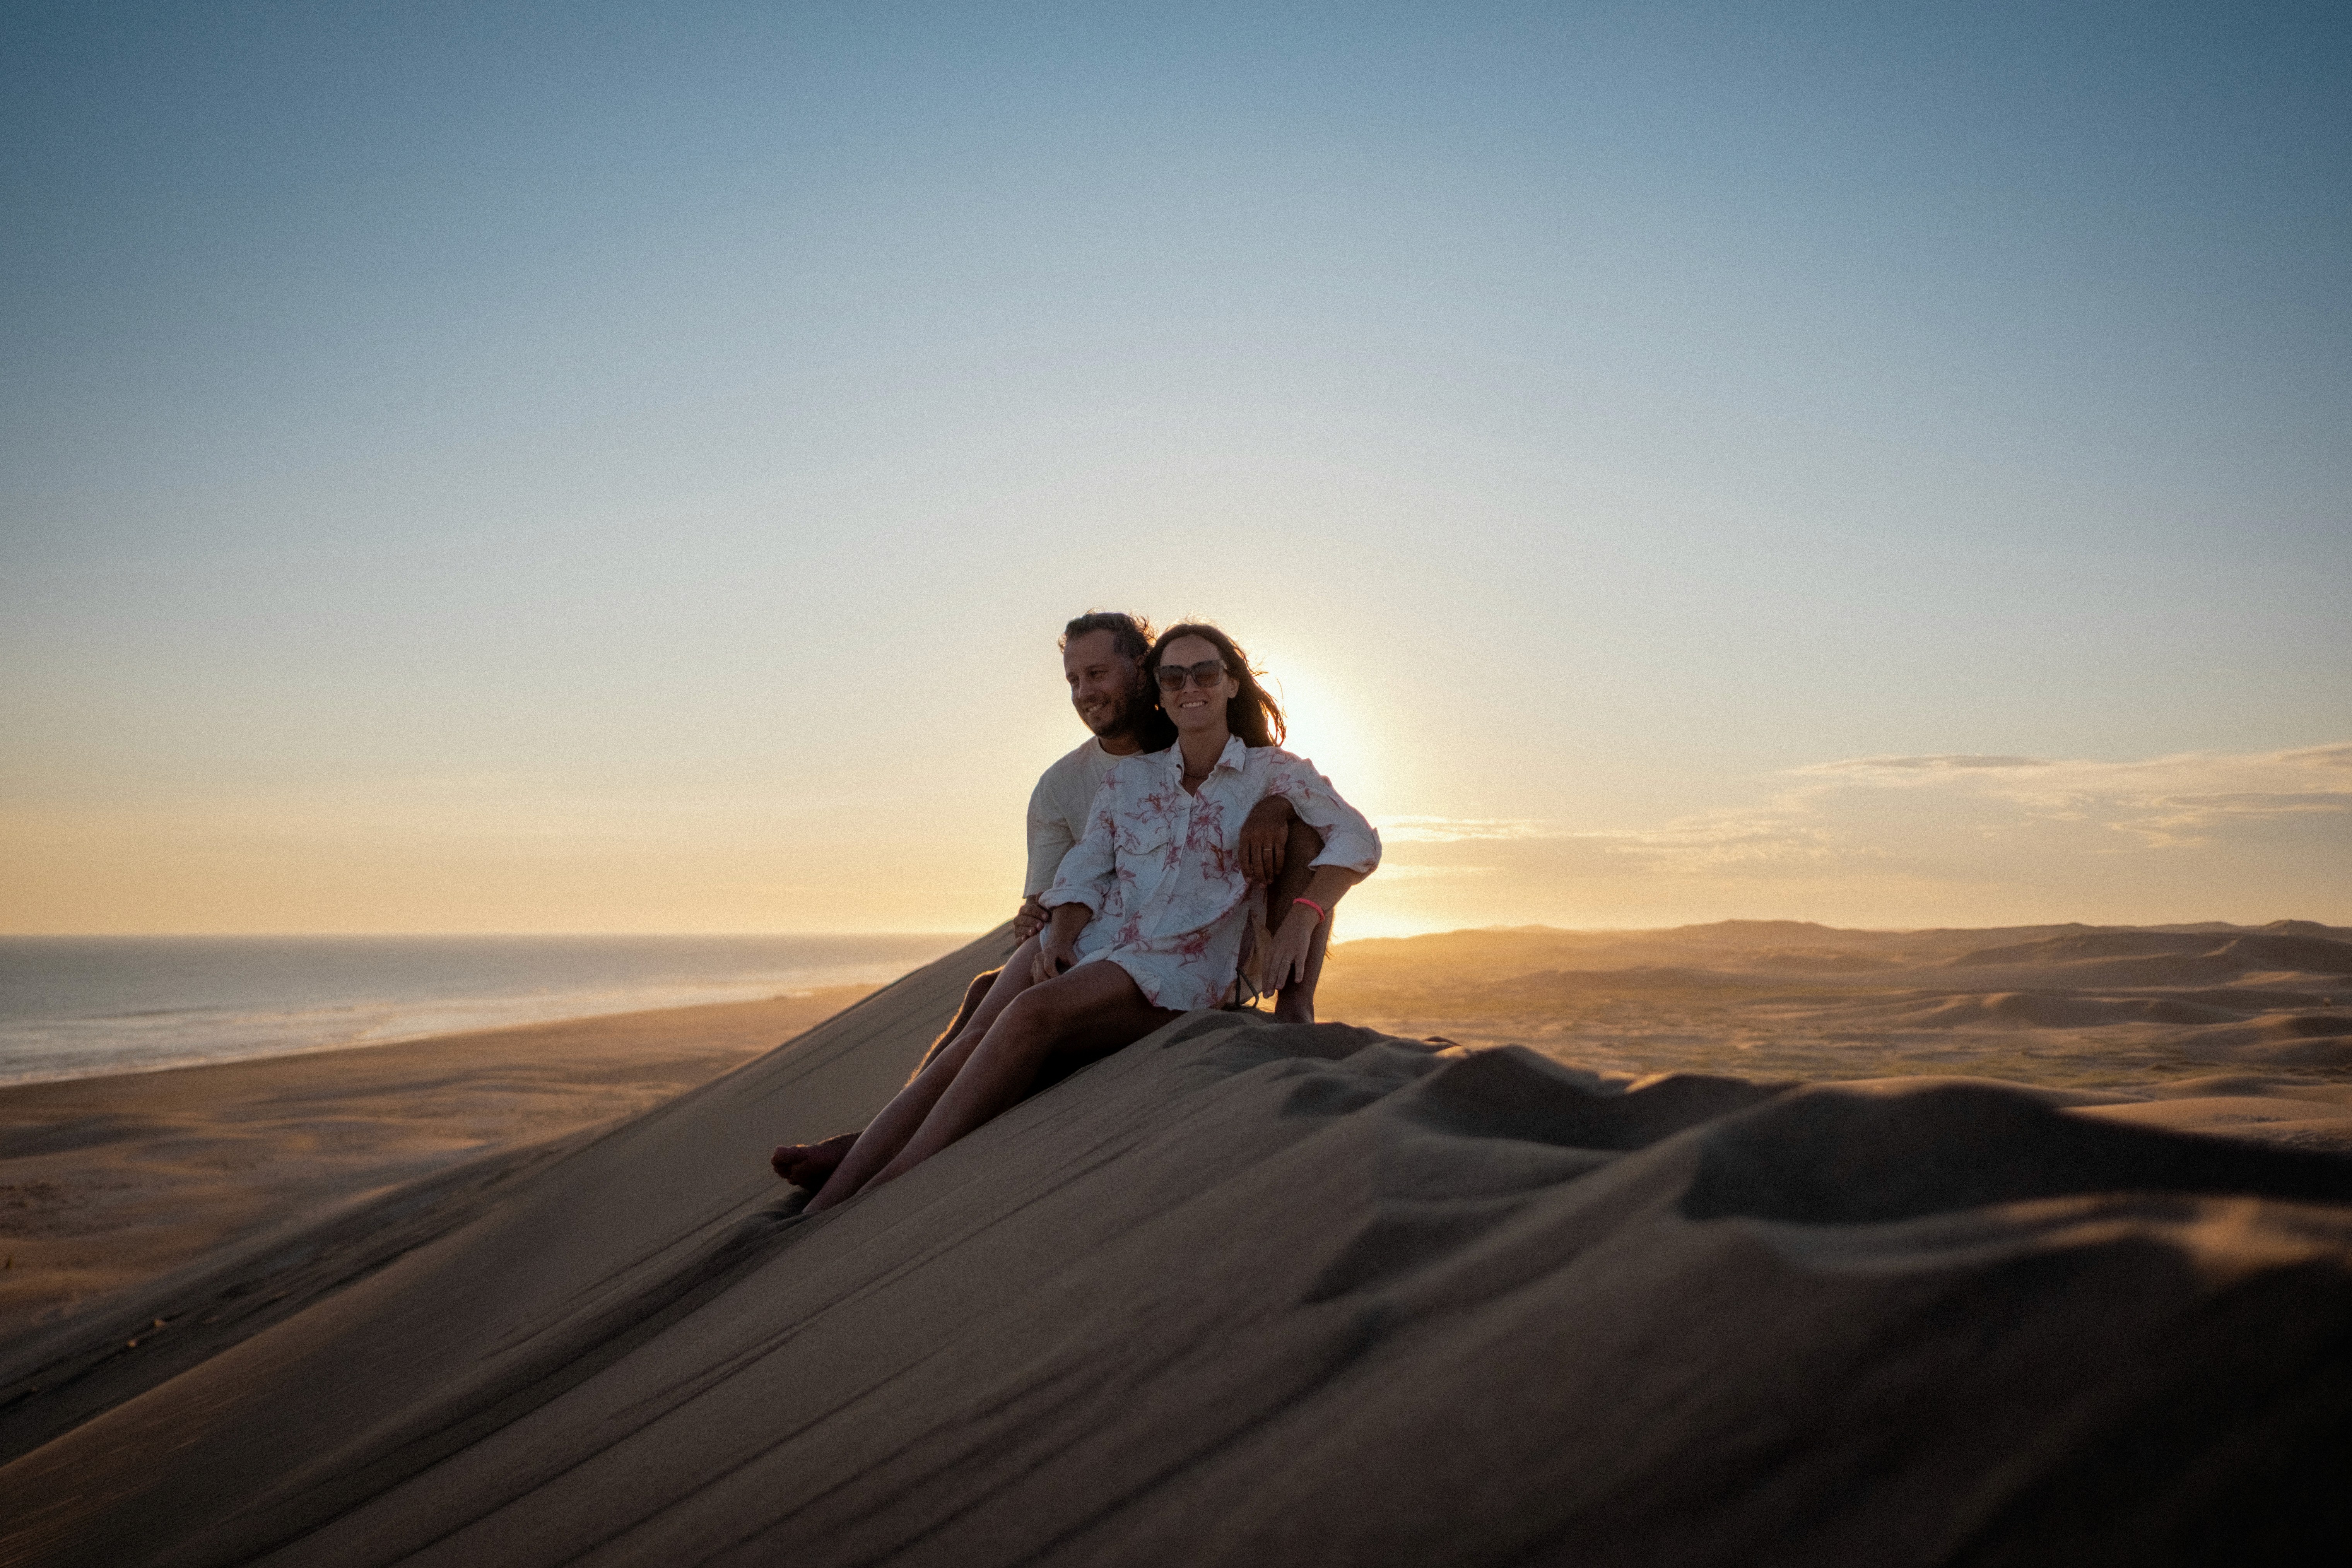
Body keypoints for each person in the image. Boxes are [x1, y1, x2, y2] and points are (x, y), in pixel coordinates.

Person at [801, 621, 1379, 1214]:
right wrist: (1061, 935)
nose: (1190, 687)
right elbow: (1083, 870)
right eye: (1174, 677)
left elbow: (1357, 839)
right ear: (1159, 690)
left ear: (1231, 683)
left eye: (1206, 673)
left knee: (1029, 1013)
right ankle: (833, 1198)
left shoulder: (1275, 773)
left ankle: (887, 1189)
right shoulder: (1129, 780)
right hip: (1103, 939)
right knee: (978, 1033)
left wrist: (1304, 915)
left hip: (1182, 968)